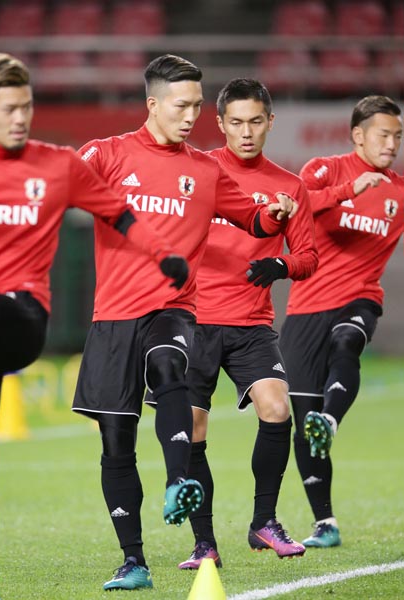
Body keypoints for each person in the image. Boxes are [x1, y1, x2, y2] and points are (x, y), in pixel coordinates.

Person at [0, 52, 189, 600]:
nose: (21, 118)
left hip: (20, 319)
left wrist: (163, 254)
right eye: (9, 109)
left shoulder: (58, 165)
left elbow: (119, 213)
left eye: (27, 106)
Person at [73, 56, 298, 591]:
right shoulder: (108, 154)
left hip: (173, 308)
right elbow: (63, 185)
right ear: (152, 104)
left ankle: (179, 482)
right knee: (115, 441)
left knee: (169, 365)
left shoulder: (207, 170)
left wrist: (275, 213)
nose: (192, 115)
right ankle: (133, 561)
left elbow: (253, 217)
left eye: (198, 105)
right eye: (182, 105)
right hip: (112, 317)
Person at [170, 78, 318, 570]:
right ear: (220, 123)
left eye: (256, 121)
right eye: (236, 122)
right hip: (193, 322)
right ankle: (204, 543)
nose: (247, 132)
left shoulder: (290, 185)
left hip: (251, 324)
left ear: (270, 121)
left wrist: (281, 265)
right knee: (192, 429)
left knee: (276, 409)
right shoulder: (196, 171)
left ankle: (264, 522)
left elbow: (309, 257)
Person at [279, 95, 403, 548]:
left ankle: (331, 420)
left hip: (359, 298)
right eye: (383, 134)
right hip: (306, 309)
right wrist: (350, 190)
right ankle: (324, 523)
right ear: (358, 135)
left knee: (348, 340)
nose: (392, 144)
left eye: (398, 136)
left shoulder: (399, 193)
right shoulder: (325, 170)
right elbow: (297, 205)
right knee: (301, 423)